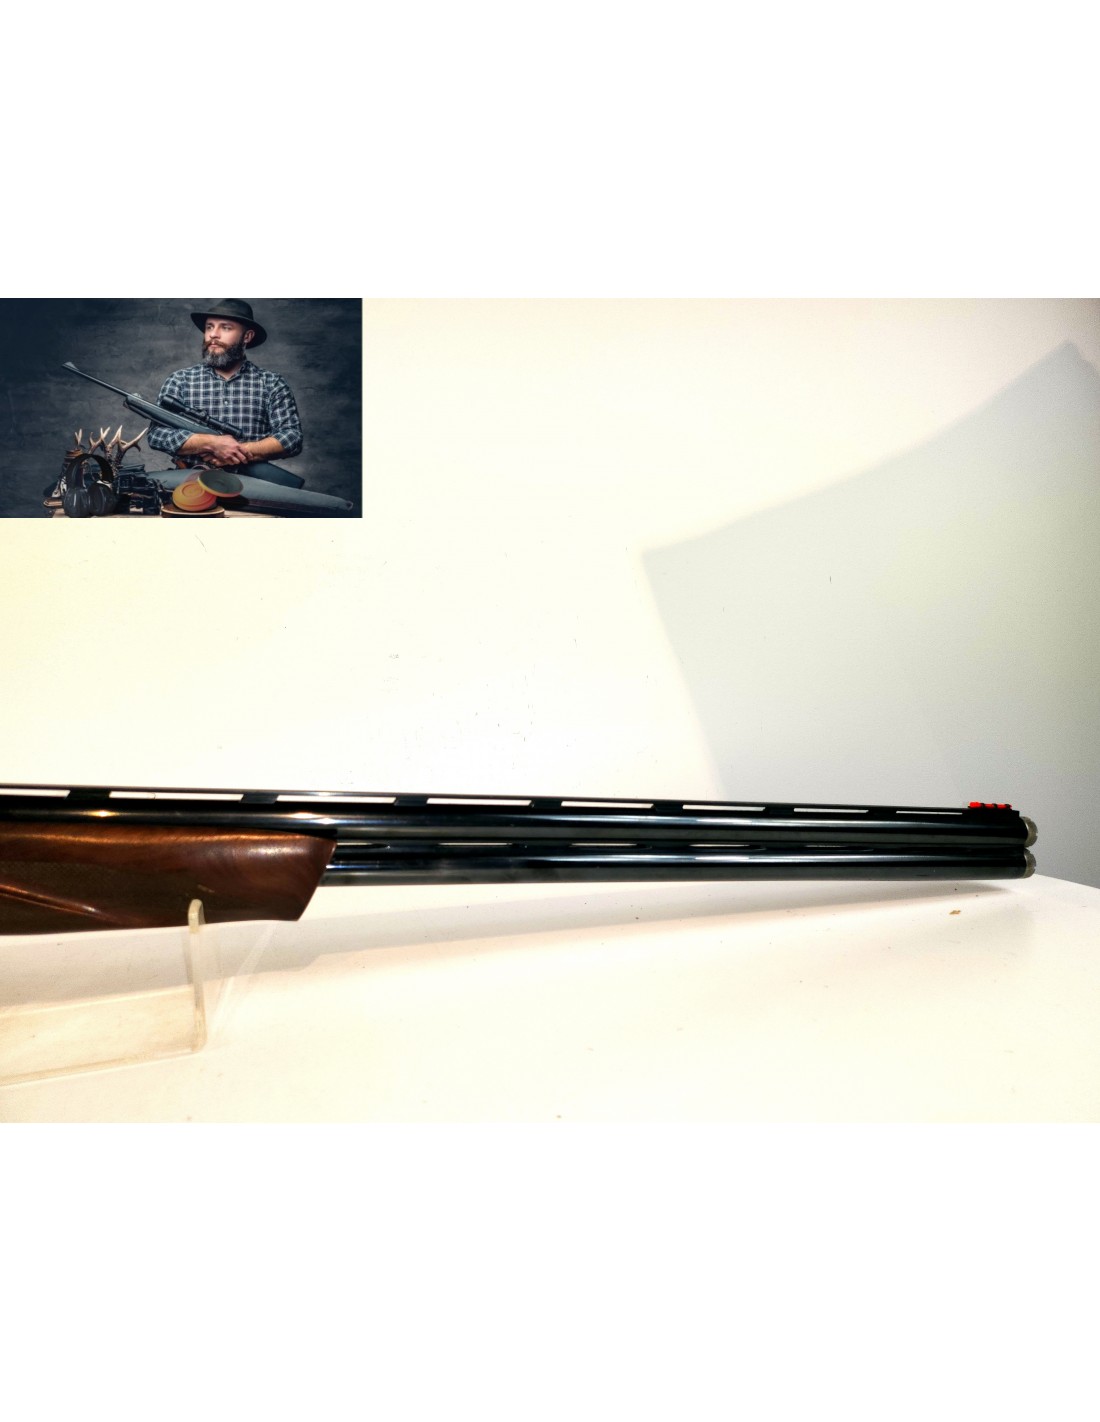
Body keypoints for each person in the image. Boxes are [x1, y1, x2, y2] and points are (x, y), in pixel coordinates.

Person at [147, 301, 303, 471]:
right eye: (209, 327)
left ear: (247, 336)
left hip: (250, 484)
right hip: (190, 482)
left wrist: (238, 451)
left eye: (226, 328)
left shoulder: (272, 383)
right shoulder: (180, 380)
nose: (213, 334)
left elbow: (292, 437)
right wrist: (210, 443)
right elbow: (157, 435)